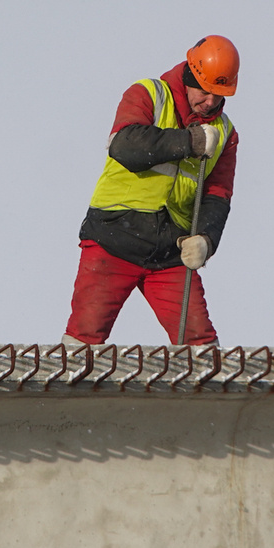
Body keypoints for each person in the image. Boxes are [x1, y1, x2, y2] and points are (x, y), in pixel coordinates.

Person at [62, 35, 240, 346]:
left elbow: (218, 194)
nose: (210, 101)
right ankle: (66, 395)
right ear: (190, 74)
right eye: (204, 90)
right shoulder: (148, 93)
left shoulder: (226, 133)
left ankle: (202, 396)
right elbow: (126, 146)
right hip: (113, 240)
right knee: (82, 344)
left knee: (201, 347)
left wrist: (207, 239)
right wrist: (189, 142)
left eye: (219, 94)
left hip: (170, 252)